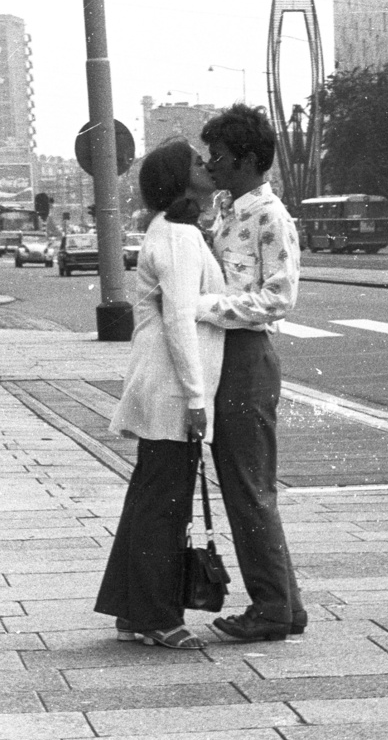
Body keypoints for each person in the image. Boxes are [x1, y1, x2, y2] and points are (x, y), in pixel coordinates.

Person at [95, 139, 226, 650]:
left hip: (168, 382)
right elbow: (178, 317)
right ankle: (154, 617)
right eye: (197, 162)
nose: (207, 166)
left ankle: (135, 611)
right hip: (173, 387)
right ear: (179, 178)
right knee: (164, 504)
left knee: (153, 499)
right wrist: (196, 396)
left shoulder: (176, 231)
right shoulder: (177, 235)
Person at [196, 104, 307, 642]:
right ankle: (287, 602)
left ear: (244, 158)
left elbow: (279, 296)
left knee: (248, 488)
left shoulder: (269, 216)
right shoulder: (226, 211)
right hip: (224, 358)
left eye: (217, 155)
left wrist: (206, 307)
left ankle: (270, 609)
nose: (210, 164)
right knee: (248, 486)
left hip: (247, 358)